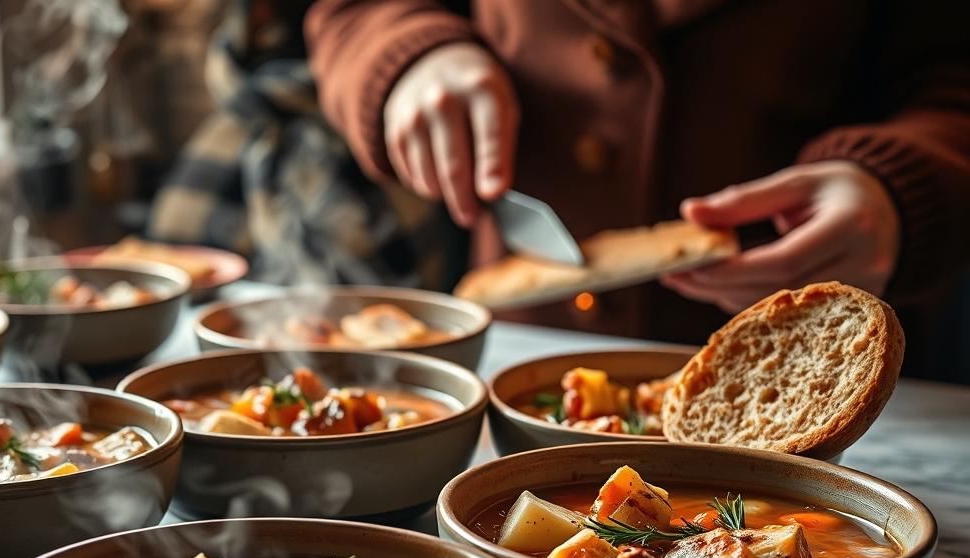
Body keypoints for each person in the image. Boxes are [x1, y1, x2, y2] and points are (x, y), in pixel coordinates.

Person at [305, 0, 970, 362]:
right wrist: (407, 53)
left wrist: (897, 186)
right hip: (523, 349)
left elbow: (951, 75)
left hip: (815, 364)